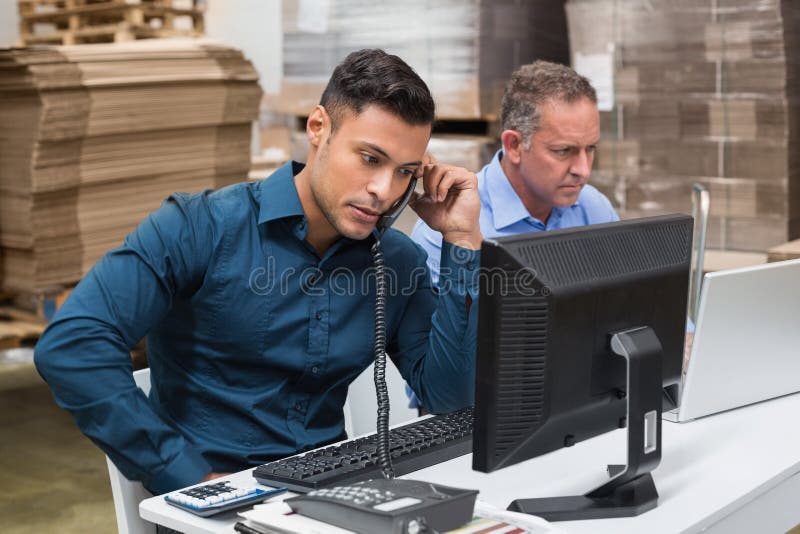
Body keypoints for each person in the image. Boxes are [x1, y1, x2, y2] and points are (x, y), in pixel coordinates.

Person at [33, 49, 483, 495]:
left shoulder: (395, 261)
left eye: (404, 171)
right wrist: (183, 473)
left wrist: (462, 240)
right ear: (318, 128)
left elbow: (449, 400)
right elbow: (72, 345)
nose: (383, 191)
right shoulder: (200, 227)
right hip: (210, 506)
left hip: (332, 499)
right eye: (369, 158)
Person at [407, 60, 618, 411]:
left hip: (576, 405)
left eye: (590, 148)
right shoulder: (442, 232)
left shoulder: (593, 209)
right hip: (475, 423)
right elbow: (447, 386)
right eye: (564, 151)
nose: (583, 169)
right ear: (515, 145)